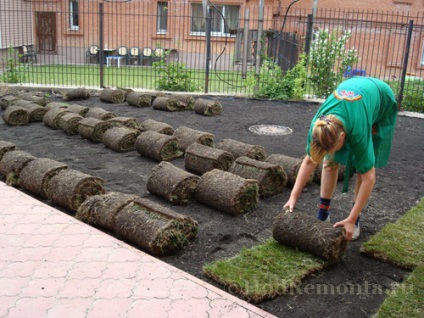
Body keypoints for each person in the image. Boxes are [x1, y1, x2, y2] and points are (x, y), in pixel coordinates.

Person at [283, 76, 398, 241]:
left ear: (343, 136)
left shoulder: (357, 131)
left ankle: (355, 220)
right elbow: (309, 161)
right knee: (329, 162)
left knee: (362, 168)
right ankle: (323, 214)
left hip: (380, 98)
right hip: (354, 97)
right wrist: (293, 197)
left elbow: (369, 178)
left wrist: (350, 219)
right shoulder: (318, 126)